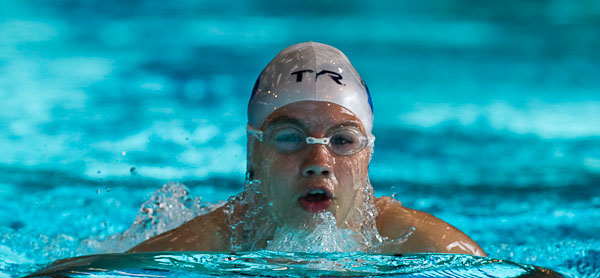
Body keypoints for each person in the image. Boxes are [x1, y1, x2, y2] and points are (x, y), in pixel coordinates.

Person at [128, 42, 486, 256]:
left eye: (342, 141)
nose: (318, 163)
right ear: (254, 152)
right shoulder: (207, 243)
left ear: (367, 156)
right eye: (289, 138)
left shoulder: (420, 243)